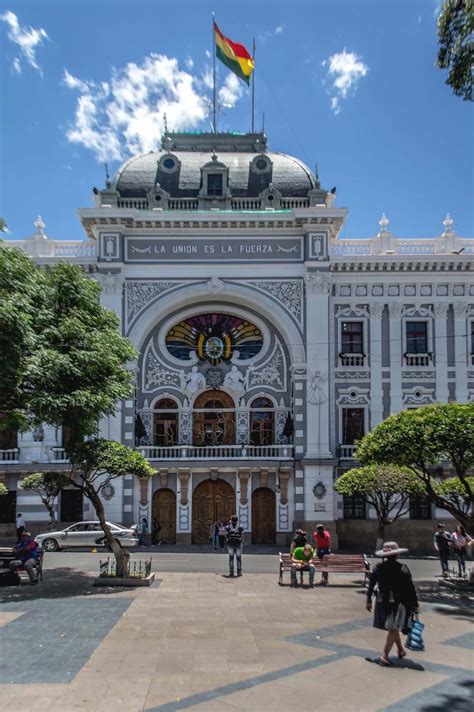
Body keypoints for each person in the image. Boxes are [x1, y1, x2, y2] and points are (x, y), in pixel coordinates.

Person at [366, 541, 419, 667]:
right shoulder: (403, 568)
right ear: (397, 555)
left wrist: (368, 600)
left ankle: (400, 650)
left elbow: (371, 584)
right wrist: (415, 603)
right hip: (399, 603)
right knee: (394, 628)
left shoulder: (378, 567)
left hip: (382, 602)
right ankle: (384, 656)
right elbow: (410, 588)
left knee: (393, 627)